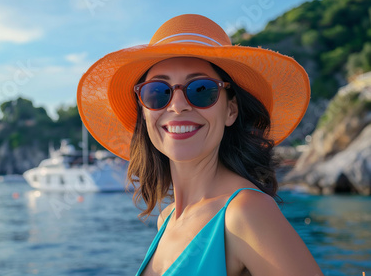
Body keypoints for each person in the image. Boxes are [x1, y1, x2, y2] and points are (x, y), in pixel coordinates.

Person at [77, 14, 323, 276]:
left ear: (230, 110)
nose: (178, 105)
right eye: (157, 92)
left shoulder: (245, 212)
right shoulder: (167, 219)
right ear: (144, 113)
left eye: (201, 89)